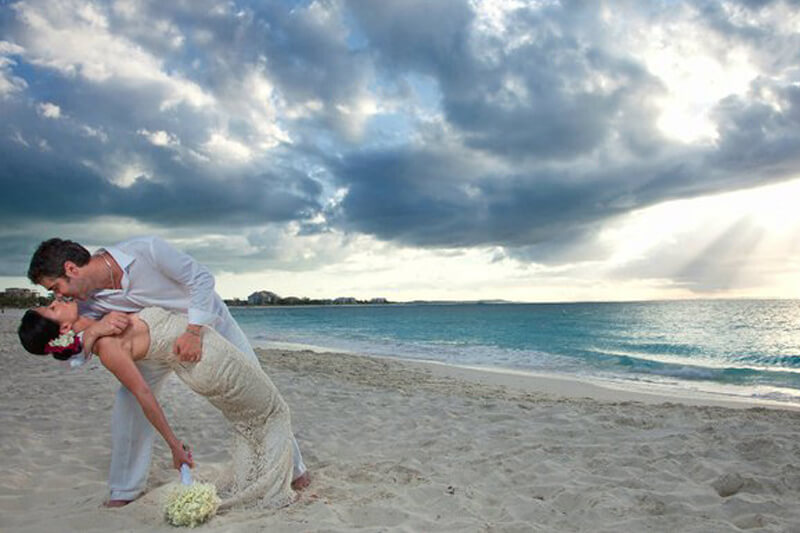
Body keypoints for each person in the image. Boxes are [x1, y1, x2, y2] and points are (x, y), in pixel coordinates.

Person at [26, 236, 308, 506]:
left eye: (54, 288)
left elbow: (201, 279)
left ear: (71, 269)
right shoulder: (85, 303)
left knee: (257, 394)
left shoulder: (147, 251)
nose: (57, 296)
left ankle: (295, 472)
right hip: (157, 343)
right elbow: (69, 350)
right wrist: (96, 328)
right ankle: (124, 489)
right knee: (129, 401)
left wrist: (194, 331)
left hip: (206, 327)